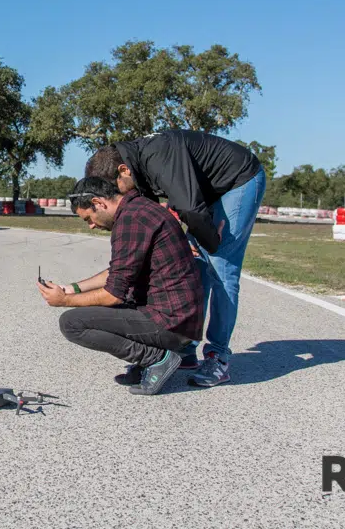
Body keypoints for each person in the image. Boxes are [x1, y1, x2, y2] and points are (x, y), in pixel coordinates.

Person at [85, 130, 266, 387]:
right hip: (205, 192)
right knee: (193, 267)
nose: (119, 198)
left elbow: (190, 207)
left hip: (239, 180)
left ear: (123, 170)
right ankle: (184, 347)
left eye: (116, 190)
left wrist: (210, 243)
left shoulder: (159, 156)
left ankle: (218, 356)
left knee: (221, 267)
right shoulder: (135, 164)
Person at [38, 176, 204, 395]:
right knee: (111, 305)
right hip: (179, 318)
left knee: (72, 323)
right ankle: (151, 359)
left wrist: (65, 301)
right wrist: (74, 288)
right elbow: (119, 271)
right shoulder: (138, 210)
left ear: (98, 203)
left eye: (89, 218)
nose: (92, 225)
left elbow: (113, 294)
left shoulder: (130, 221)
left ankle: (156, 359)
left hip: (172, 322)